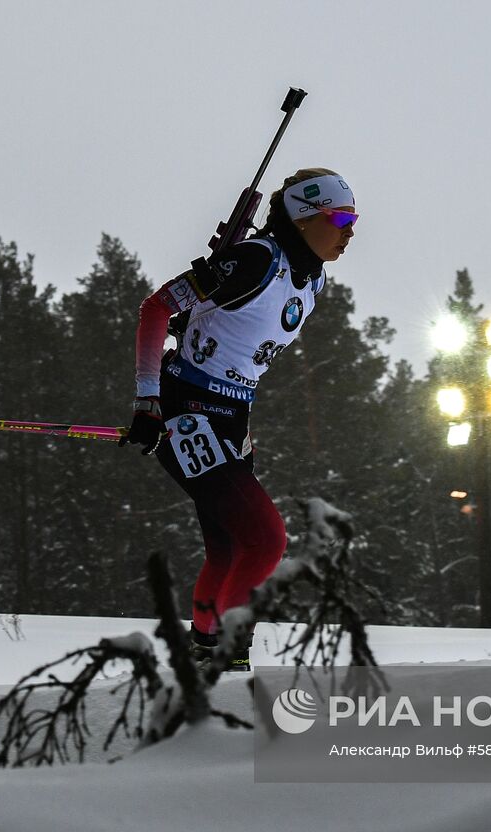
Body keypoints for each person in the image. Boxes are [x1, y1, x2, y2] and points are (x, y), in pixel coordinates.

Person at [120, 168, 357, 670]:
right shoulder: (254, 260)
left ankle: (206, 653)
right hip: (185, 408)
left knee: (229, 550)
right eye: (339, 217)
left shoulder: (311, 275)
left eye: (353, 219)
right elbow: (157, 309)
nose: (349, 230)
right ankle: (227, 657)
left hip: (231, 415)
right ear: (302, 217)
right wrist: (147, 402)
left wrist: (239, 422)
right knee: (266, 540)